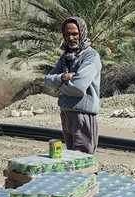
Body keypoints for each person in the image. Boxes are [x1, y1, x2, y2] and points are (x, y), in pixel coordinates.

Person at [45, 16, 102, 154]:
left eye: (74, 34)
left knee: (83, 158)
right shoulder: (65, 57)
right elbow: (47, 80)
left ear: (82, 33)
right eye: (67, 34)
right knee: (71, 158)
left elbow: (78, 87)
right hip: (66, 112)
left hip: (83, 114)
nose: (70, 38)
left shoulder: (90, 56)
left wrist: (58, 85)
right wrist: (63, 77)